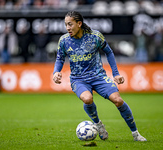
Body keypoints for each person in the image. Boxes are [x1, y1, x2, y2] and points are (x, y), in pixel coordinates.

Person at [53, 11, 147, 141]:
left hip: (98, 76)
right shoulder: (64, 40)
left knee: (118, 100)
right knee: (87, 99)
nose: (67, 28)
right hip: (78, 79)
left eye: (70, 24)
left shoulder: (95, 36)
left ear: (79, 23)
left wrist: (116, 74)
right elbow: (60, 58)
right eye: (66, 25)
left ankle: (136, 134)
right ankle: (98, 124)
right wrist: (56, 72)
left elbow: (109, 52)